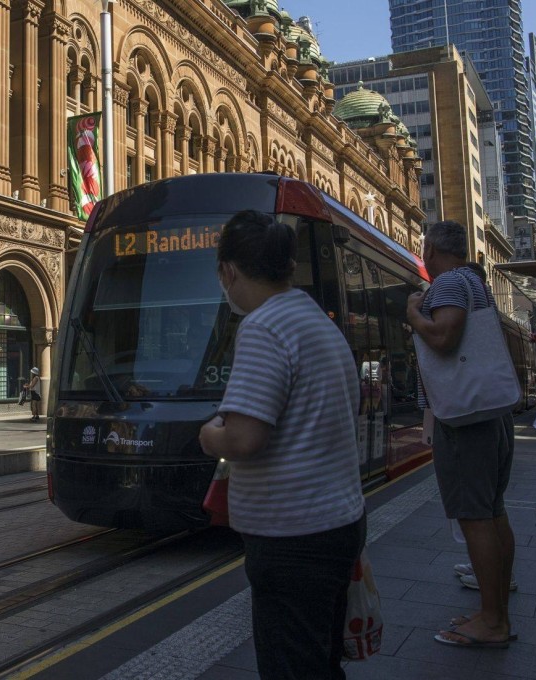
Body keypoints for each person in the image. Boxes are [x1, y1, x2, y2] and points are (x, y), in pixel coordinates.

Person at [198, 210, 365, 678]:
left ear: (229, 270)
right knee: (321, 663)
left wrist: (210, 436)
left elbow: (245, 437)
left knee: (292, 668)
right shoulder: (314, 319)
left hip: (293, 538)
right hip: (336, 522)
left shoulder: (263, 327)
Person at [406, 220, 514, 650]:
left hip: (464, 419)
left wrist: (414, 313)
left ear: (431, 250)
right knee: (492, 512)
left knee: (474, 516)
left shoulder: (449, 283)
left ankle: (492, 621)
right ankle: (495, 610)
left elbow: (445, 336)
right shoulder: (472, 281)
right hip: (487, 414)